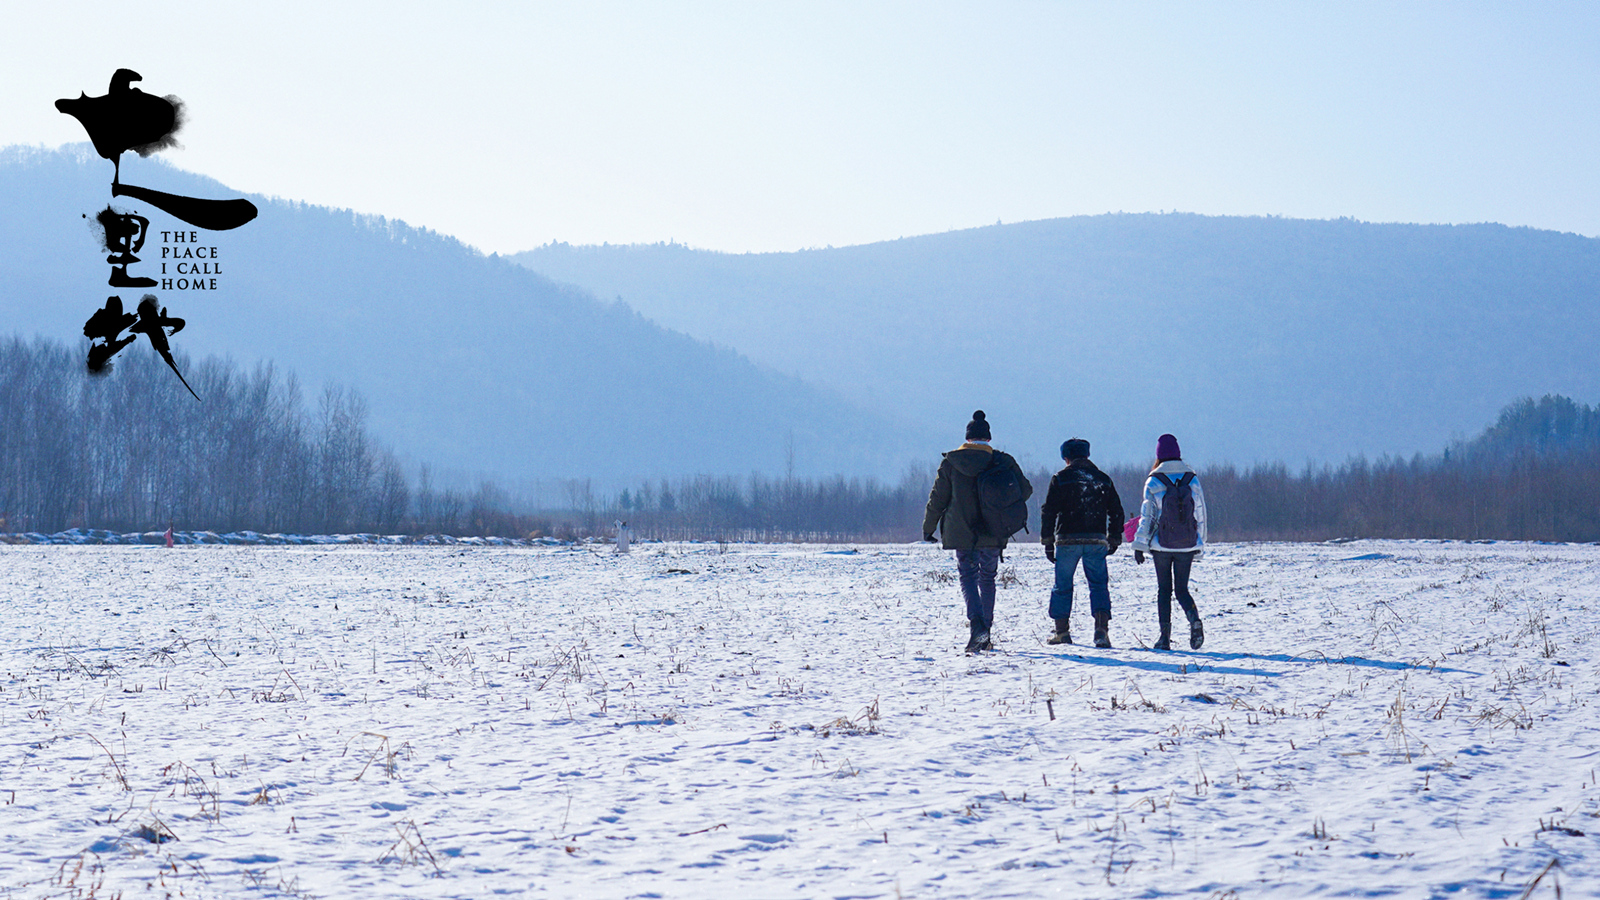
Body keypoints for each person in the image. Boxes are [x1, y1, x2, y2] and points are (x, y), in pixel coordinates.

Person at [923, 410, 1033, 653]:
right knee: (988, 578)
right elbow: (1025, 490)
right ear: (989, 439)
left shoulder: (951, 463)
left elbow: (937, 499)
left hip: (961, 531)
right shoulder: (1003, 461)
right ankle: (986, 630)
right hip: (994, 530)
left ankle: (977, 626)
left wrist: (928, 528)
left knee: (968, 577)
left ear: (967, 438)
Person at [1039, 438, 1125, 648]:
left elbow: (1049, 511)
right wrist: (1114, 537)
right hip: (1096, 539)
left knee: (1062, 586)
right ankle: (1101, 630)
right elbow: (1116, 511)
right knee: (1098, 585)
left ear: (1066, 457)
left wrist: (1048, 541)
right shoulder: (1103, 479)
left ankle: (1062, 632)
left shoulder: (1060, 478)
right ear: (1087, 454)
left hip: (1067, 540)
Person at [1130, 433, 1208, 650]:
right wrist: (1200, 542)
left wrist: (1140, 544)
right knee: (1182, 589)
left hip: (1161, 545)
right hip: (1187, 544)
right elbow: (1200, 514)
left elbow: (1147, 517)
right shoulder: (1192, 479)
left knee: (1164, 590)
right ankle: (1194, 620)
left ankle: (1164, 638)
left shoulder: (1154, 481)